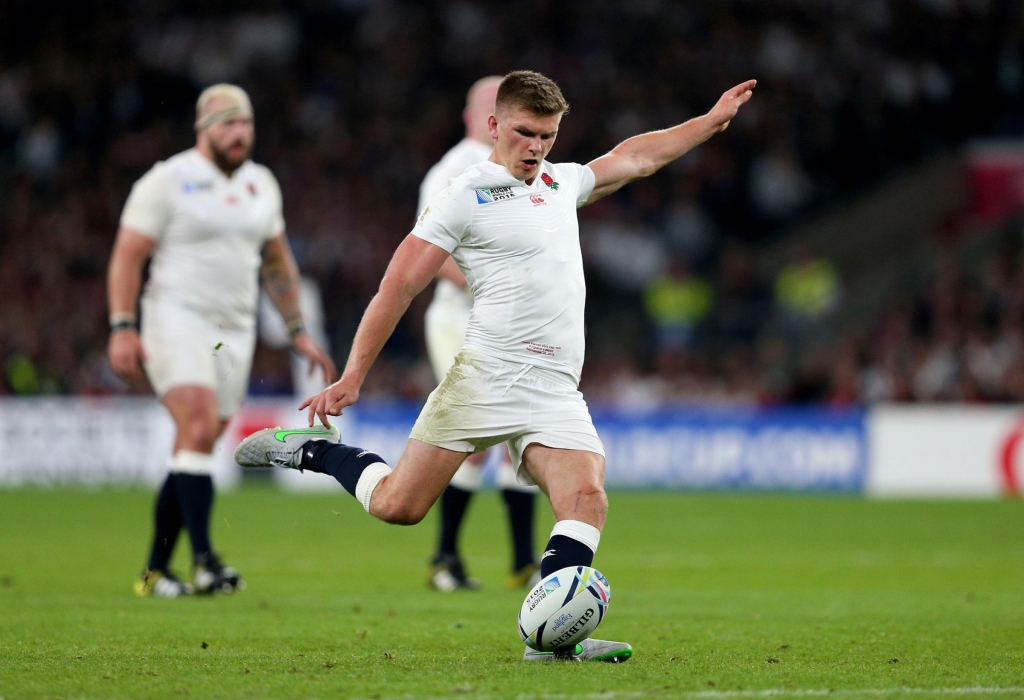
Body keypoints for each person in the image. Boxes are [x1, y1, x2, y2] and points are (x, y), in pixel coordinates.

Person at [236, 71, 756, 660]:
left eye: (549, 136)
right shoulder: (465, 194)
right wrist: (353, 375)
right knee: (398, 508)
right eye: (525, 133)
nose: (536, 147)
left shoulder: (561, 182)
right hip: (484, 379)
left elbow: (634, 157)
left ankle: (552, 640)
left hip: (555, 387)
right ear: (494, 126)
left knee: (587, 500)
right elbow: (398, 286)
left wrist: (709, 123)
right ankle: (315, 451)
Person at [107, 84, 336, 598]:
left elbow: (277, 262)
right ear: (203, 128)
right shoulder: (167, 180)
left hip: (235, 329)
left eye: (246, 123)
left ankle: (153, 573)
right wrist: (123, 324)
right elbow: (127, 254)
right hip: (175, 315)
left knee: (200, 440)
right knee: (196, 420)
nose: (239, 133)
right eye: (228, 123)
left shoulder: (262, 184)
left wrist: (297, 330)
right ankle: (206, 562)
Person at [418, 76, 542, 593]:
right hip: (459, 317)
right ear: (477, 116)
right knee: (472, 437)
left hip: (512, 322)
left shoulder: (525, 170)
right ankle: (444, 558)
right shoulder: (453, 170)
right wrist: (494, 284)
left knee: (525, 432)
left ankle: (522, 562)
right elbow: (428, 253)